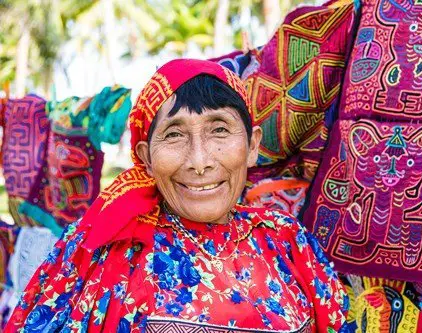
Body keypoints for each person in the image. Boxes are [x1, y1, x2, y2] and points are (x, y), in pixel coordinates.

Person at [5, 59, 348, 332]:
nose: (199, 161)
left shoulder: (286, 239)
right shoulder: (107, 250)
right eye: (173, 135)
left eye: (219, 130)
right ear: (146, 157)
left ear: (253, 145)